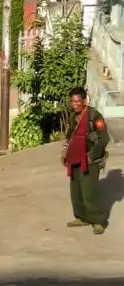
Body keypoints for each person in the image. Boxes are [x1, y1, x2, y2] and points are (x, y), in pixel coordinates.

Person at [62, 87, 110, 234]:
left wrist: (93, 156)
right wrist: (65, 151)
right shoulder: (72, 116)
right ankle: (82, 217)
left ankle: (98, 221)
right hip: (75, 157)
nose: (74, 104)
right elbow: (70, 136)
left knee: (89, 191)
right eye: (72, 101)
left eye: (77, 101)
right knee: (76, 190)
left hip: (90, 159)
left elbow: (104, 138)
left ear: (84, 101)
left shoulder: (95, 116)